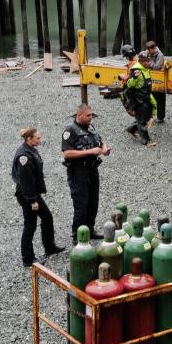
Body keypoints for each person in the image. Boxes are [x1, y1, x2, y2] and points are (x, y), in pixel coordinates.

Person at [13, 127, 65, 266]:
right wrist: (32, 201)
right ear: (29, 139)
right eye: (37, 138)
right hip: (28, 196)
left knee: (47, 218)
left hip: (32, 193)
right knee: (30, 225)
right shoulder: (24, 156)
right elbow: (26, 181)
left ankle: (49, 246)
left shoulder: (30, 149)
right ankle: (28, 258)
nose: (40, 140)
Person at [62, 104, 110, 243]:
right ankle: (77, 235)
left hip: (92, 169)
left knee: (93, 201)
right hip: (78, 172)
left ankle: (90, 229)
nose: (91, 118)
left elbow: (100, 142)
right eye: (88, 116)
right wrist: (89, 152)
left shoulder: (91, 127)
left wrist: (104, 149)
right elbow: (67, 153)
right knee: (81, 204)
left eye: (91, 115)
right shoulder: (70, 131)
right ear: (79, 115)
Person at [119, 45, 155, 146]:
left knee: (144, 116)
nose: (148, 63)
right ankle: (146, 140)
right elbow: (130, 83)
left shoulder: (140, 67)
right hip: (138, 97)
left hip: (142, 95)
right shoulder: (137, 68)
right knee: (141, 118)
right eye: (147, 61)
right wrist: (130, 78)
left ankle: (131, 129)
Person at [144, 40, 168, 123]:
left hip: (160, 79)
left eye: (149, 50)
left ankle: (160, 117)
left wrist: (149, 62)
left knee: (160, 99)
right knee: (150, 98)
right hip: (151, 78)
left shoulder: (160, 55)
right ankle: (149, 116)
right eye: (147, 50)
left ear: (154, 48)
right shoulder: (148, 53)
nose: (148, 52)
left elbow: (157, 67)